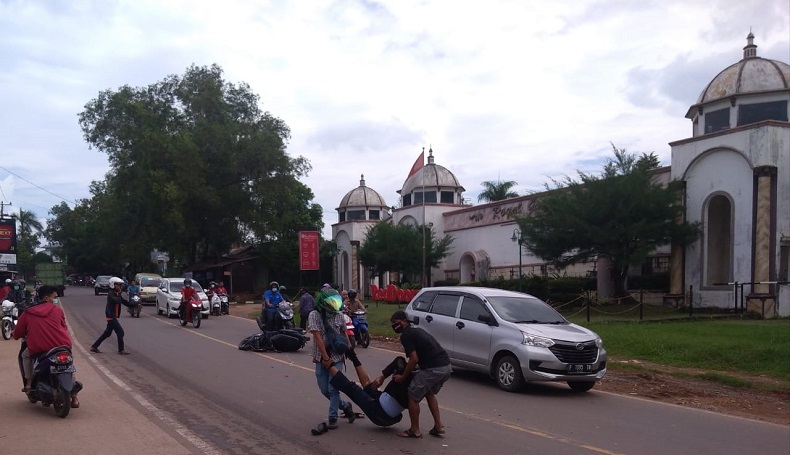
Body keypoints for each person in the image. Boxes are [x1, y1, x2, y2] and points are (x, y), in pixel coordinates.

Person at [13, 285, 81, 408]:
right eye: (54, 297)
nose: (56, 299)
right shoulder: (58, 310)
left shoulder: (28, 312)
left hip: (40, 347)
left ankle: (28, 384)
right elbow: (63, 327)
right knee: (68, 365)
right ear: (46, 298)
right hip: (63, 345)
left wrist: (17, 335)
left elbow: (17, 333)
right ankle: (74, 397)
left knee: (25, 355)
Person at [390, 310, 452, 438]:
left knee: (412, 395)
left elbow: (413, 359)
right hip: (445, 366)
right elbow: (423, 354)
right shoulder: (417, 331)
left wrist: (403, 377)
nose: (394, 326)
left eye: (396, 323)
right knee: (428, 392)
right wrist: (414, 370)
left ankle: (415, 430)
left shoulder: (406, 335)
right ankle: (438, 426)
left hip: (433, 368)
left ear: (405, 321)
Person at [317, 349, 410, 431]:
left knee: (352, 389)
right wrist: (383, 377)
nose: (394, 375)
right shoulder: (410, 373)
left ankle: (329, 365)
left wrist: (328, 361)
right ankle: (353, 357)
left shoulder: (409, 383)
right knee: (368, 386)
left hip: (381, 415)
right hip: (384, 403)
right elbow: (399, 360)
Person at [308, 287, 355, 434]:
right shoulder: (314, 315)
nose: (334, 305)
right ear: (323, 303)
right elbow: (318, 338)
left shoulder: (339, 315)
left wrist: (349, 348)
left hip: (337, 357)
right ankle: (345, 406)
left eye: (336, 301)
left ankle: (332, 417)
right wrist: (325, 359)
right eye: (331, 302)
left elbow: (344, 332)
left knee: (333, 388)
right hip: (321, 356)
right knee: (324, 389)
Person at [90, 277, 134, 355]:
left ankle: (94, 346)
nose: (120, 287)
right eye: (118, 285)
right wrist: (120, 293)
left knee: (107, 333)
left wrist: (135, 304)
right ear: (113, 285)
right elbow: (117, 300)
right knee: (120, 332)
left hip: (112, 316)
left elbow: (125, 302)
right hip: (111, 316)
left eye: (120, 285)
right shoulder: (111, 293)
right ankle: (121, 350)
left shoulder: (117, 294)